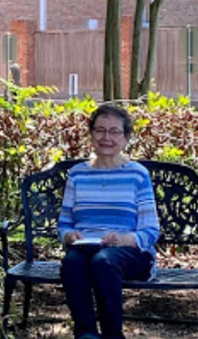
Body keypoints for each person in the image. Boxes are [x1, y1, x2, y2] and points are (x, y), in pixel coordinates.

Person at [58, 105, 161, 339]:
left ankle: (113, 335)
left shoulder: (137, 174)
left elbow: (150, 231)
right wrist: (69, 236)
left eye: (115, 132)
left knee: (104, 261)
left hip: (130, 251)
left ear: (126, 138)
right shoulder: (77, 174)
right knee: (73, 261)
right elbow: (64, 224)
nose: (106, 138)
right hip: (87, 248)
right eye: (100, 130)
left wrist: (123, 239)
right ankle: (86, 334)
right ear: (91, 134)